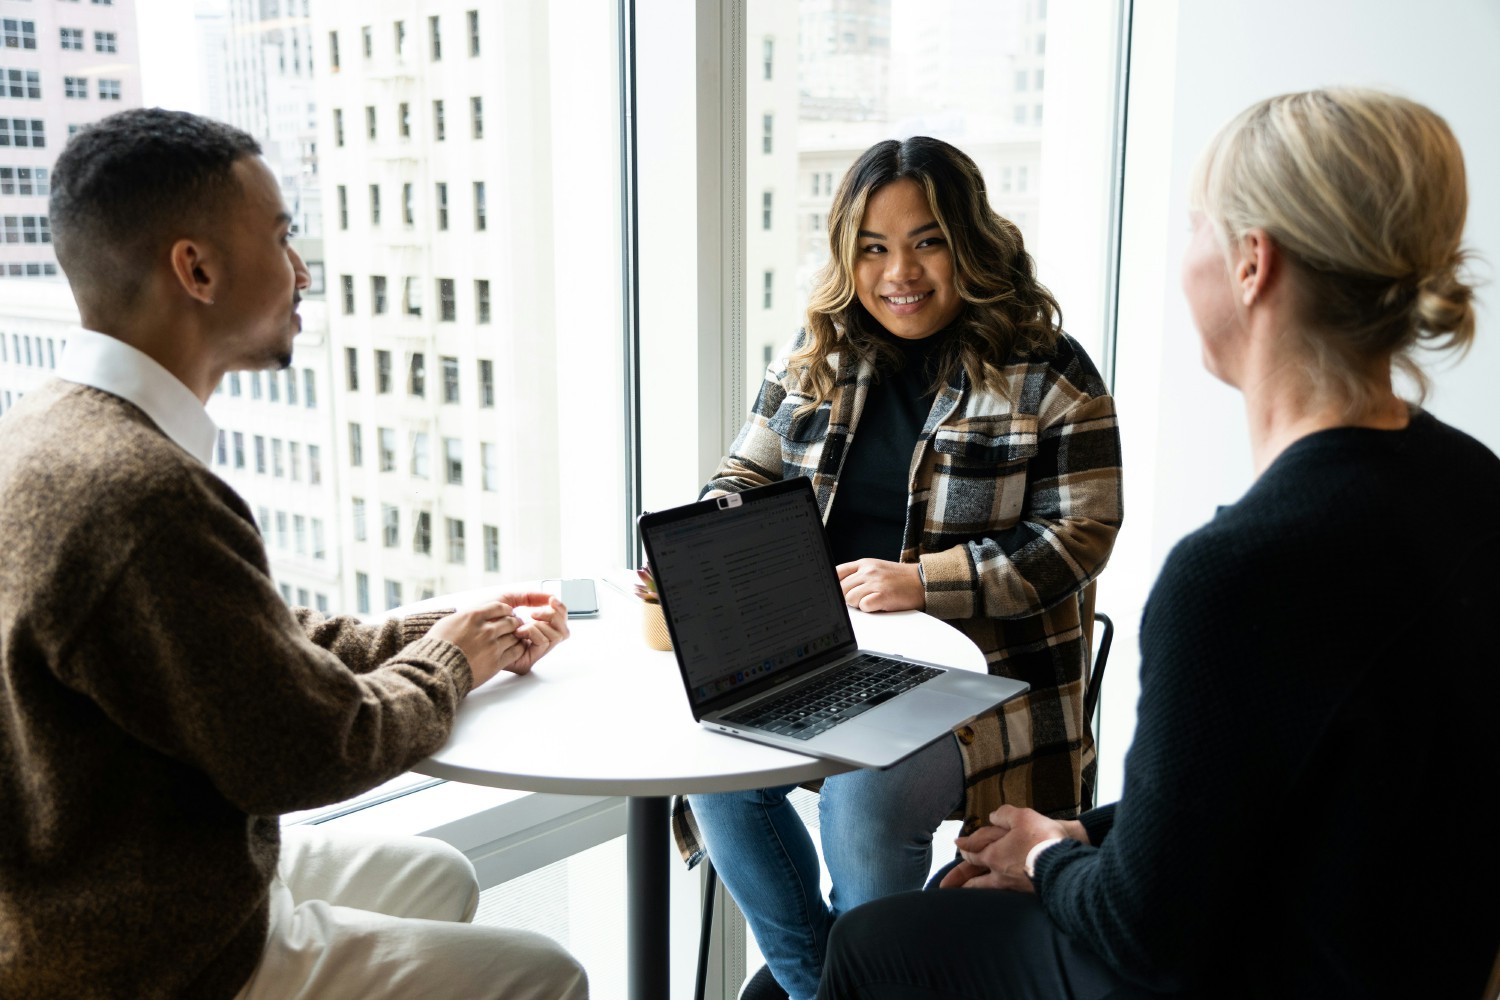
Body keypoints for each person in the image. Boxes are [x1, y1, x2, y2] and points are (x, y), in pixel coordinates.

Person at [816, 88, 1500, 999]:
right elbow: (1270, 799)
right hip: (1397, 957)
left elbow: (1147, 933)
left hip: (1248, 969)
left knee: (867, 945)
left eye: (1194, 228)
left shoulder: (1238, 574)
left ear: (1252, 262)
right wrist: (1076, 838)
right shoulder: (1473, 483)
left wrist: (1050, 863)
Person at [0, 108, 587, 1000]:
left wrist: (446, 629)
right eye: (280, 237)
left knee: (439, 876)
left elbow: (240, 643)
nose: (303, 270)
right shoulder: (140, 492)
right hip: (153, 958)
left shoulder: (51, 427)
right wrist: (453, 663)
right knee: (544, 976)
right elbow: (316, 747)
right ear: (195, 268)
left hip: (99, 881)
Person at [680, 136, 1123, 999]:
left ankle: (852, 982)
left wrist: (927, 581)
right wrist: (701, 549)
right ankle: (829, 987)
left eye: (927, 241)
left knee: (867, 795)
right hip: (826, 664)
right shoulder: (815, 365)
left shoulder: (1050, 374)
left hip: (988, 687)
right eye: (874, 248)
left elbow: (1080, 536)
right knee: (715, 769)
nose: (900, 273)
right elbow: (742, 477)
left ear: (970, 244)